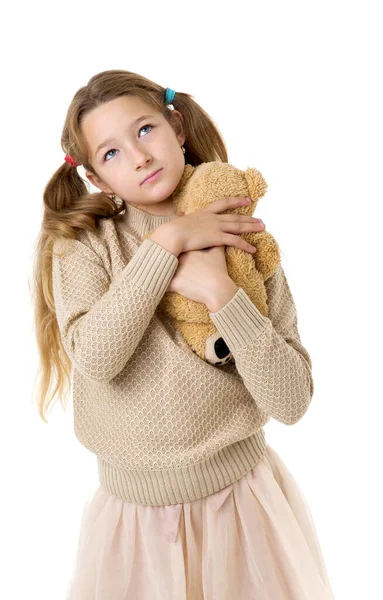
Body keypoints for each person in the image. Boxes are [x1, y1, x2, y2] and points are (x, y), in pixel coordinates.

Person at [31, 69, 335, 599]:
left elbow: (291, 401)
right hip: (135, 523)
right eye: (111, 153)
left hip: (243, 505)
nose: (139, 156)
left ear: (176, 126)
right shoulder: (85, 245)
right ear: (97, 180)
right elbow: (97, 359)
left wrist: (222, 294)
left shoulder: (240, 233)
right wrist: (168, 243)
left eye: (145, 130)